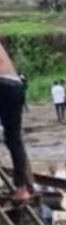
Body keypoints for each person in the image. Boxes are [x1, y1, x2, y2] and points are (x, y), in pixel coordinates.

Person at [0, 43, 33, 203]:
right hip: (15, 85)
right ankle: (22, 188)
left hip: (4, 85)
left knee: (12, 138)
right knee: (13, 139)